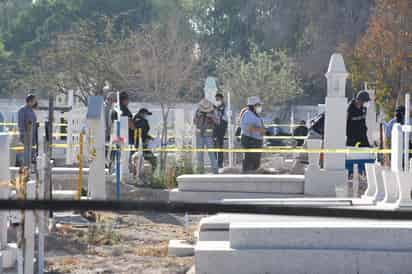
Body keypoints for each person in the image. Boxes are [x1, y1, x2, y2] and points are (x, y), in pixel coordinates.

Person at [194, 98, 219, 174]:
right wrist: (198, 116)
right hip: (199, 136)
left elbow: (218, 122)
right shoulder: (198, 111)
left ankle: (215, 171)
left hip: (208, 136)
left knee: (211, 154)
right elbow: (194, 122)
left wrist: (212, 117)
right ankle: (200, 171)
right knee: (199, 154)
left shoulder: (213, 111)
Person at [240, 96, 265, 173]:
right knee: (250, 160)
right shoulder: (248, 114)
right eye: (258, 105)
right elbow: (248, 128)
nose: (260, 107)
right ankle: (247, 176)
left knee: (255, 162)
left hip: (256, 141)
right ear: (253, 106)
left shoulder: (255, 115)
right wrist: (260, 130)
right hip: (251, 140)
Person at [133, 108, 157, 172]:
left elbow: (142, 133)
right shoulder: (141, 121)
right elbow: (141, 133)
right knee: (153, 160)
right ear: (141, 113)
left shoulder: (136, 120)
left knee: (139, 162)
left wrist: (149, 137)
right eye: (146, 114)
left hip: (140, 144)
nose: (146, 116)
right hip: (141, 145)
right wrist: (147, 138)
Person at [17, 94, 38, 165]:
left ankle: (29, 166)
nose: (35, 102)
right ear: (30, 101)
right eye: (34, 100)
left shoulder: (31, 110)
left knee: (31, 152)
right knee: (26, 152)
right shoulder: (22, 110)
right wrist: (23, 134)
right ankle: (25, 166)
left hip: (32, 135)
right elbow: (21, 123)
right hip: (26, 134)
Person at [213, 93, 228, 168]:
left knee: (220, 146)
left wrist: (220, 116)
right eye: (216, 99)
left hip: (221, 128)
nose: (217, 101)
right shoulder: (214, 107)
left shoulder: (225, 107)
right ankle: (214, 162)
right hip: (214, 128)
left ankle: (220, 163)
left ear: (222, 99)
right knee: (214, 146)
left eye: (218, 99)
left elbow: (226, 118)